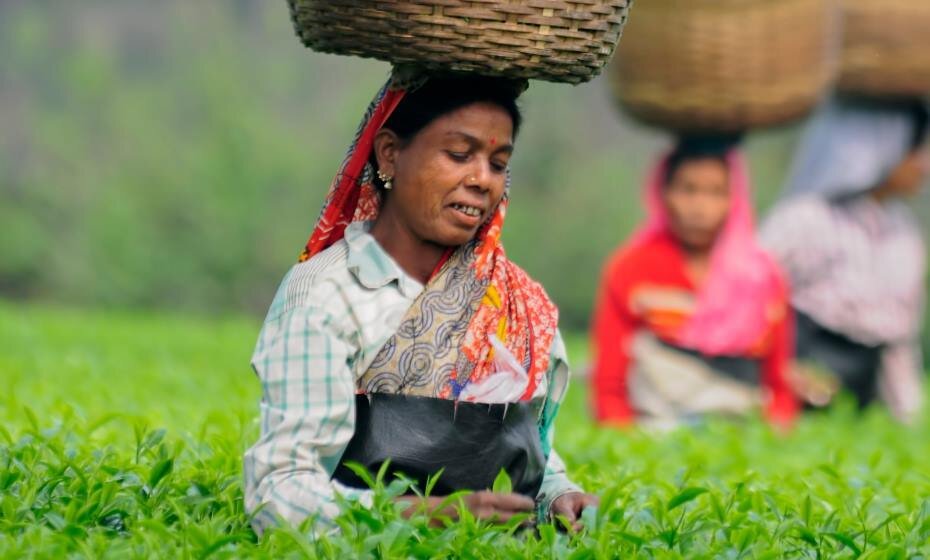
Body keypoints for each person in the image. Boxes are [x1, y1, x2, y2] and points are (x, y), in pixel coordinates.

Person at [242, 71, 597, 535]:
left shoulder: (512, 299)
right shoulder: (329, 295)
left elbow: (522, 449)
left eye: (498, 162)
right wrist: (420, 515)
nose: (481, 180)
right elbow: (280, 490)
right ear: (389, 153)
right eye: (458, 154)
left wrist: (556, 494)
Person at [591, 137, 798, 430]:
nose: (700, 207)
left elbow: (778, 384)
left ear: (736, 199)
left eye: (717, 192)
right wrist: (621, 437)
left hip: (743, 440)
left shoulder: (764, 278)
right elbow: (609, 382)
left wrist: (777, 438)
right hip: (654, 433)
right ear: (664, 193)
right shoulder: (631, 268)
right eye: (688, 190)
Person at [760, 98, 929, 422]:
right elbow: (747, 300)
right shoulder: (804, 219)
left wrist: (908, 419)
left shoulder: (903, 233)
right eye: (916, 150)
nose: (924, 165)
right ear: (881, 148)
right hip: (789, 400)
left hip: (856, 406)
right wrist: (779, 370)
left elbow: (899, 343)